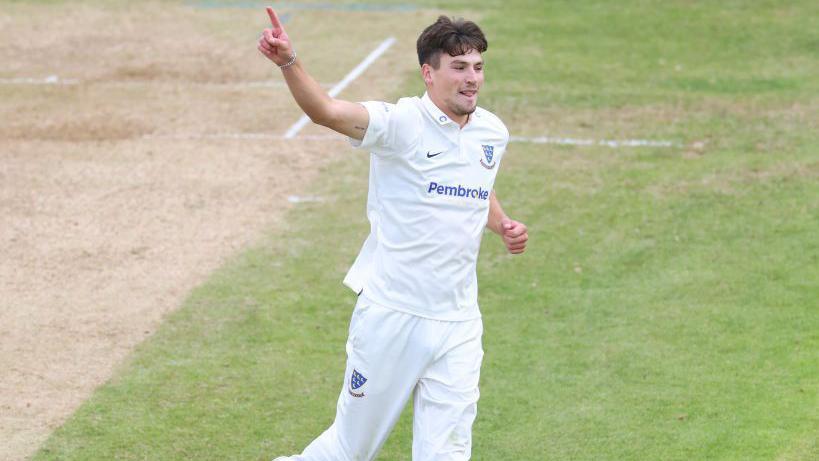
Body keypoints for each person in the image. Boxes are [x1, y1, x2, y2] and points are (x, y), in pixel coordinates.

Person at [258, 7, 528, 461]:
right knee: (349, 450)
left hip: (459, 321)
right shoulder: (399, 124)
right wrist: (289, 62)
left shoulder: (490, 132)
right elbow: (325, 111)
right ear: (428, 73)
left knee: (447, 454)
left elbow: (477, 183)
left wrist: (500, 223)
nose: (472, 79)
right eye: (459, 67)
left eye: (478, 67)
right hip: (392, 316)